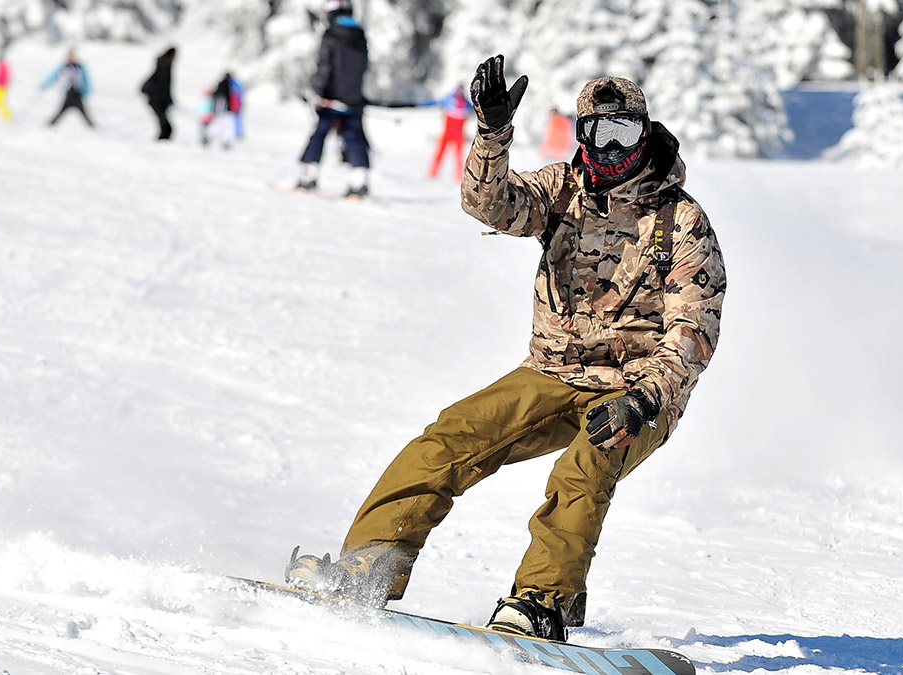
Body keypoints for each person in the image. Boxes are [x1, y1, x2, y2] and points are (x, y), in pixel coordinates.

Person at [285, 54, 726, 642]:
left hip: (634, 391)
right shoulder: (562, 190)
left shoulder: (681, 222)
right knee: (451, 437)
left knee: (585, 467)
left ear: (645, 135)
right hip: (552, 370)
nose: (614, 148)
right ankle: (368, 568)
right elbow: (488, 204)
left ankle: (542, 602)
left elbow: (693, 329)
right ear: (583, 135)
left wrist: (646, 399)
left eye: (626, 132)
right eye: (601, 132)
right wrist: (492, 134)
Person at [296, 0, 371, 198]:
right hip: (353, 99)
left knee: (319, 135)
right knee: (354, 138)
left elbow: (324, 67)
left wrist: (316, 91)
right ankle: (359, 181)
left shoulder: (330, 35)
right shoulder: (361, 35)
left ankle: (308, 177)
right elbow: (362, 67)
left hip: (330, 98)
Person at [426, 85, 471, 180]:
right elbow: (434, 103)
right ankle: (432, 175)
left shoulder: (464, 103)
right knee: (441, 154)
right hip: (449, 134)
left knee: (457, 157)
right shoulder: (450, 99)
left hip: (457, 135)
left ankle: (459, 178)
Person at [41, 50, 94, 128]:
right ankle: (50, 125)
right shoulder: (64, 67)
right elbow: (53, 76)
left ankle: (91, 125)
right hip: (68, 93)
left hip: (77, 93)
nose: (71, 58)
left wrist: (86, 90)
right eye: (69, 56)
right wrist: (44, 85)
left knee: (84, 112)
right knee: (61, 111)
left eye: (72, 56)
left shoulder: (79, 68)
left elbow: (86, 79)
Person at [141, 47, 176, 141]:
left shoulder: (164, 65)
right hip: (158, 100)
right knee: (166, 127)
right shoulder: (164, 66)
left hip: (159, 100)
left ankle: (162, 139)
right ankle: (162, 141)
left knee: (166, 126)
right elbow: (163, 86)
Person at [204, 72, 241, 150]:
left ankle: (211, 137)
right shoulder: (228, 86)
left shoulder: (223, 85)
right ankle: (209, 137)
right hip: (225, 110)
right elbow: (222, 99)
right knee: (223, 125)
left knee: (225, 125)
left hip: (225, 110)